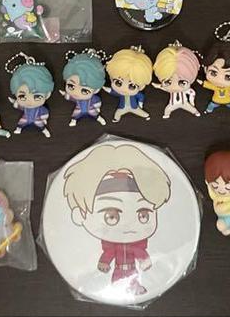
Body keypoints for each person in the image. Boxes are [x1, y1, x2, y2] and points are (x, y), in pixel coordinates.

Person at [62, 143, 171, 297]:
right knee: (117, 279)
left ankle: (133, 286)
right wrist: (104, 263)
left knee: (131, 278)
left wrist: (144, 260)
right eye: (111, 216)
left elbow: (139, 251)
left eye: (143, 215)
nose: (128, 225)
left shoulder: (135, 245)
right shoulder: (112, 246)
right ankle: (117, 286)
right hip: (118, 270)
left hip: (132, 269)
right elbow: (109, 253)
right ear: (80, 215)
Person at [152, 43, 201, 118]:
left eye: (182, 83)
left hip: (184, 103)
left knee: (192, 109)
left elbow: (192, 93)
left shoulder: (186, 90)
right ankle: (166, 115)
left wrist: (192, 102)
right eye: (168, 82)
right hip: (172, 104)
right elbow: (163, 87)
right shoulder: (169, 89)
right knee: (167, 110)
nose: (174, 87)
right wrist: (157, 86)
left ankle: (196, 112)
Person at [105, 48, 153, 122]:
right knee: (118, 113)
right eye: (118, 83)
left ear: (141, 86)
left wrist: (140, 104)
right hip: (122, 107)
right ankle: (116, 118)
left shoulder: (136, 94)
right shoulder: (120, 93)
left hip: (135, 107)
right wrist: (103, 88)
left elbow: (141, 96)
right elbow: (112, 92)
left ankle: (146, 115)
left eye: (132, 86)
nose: (124, 89)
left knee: (141, 112)